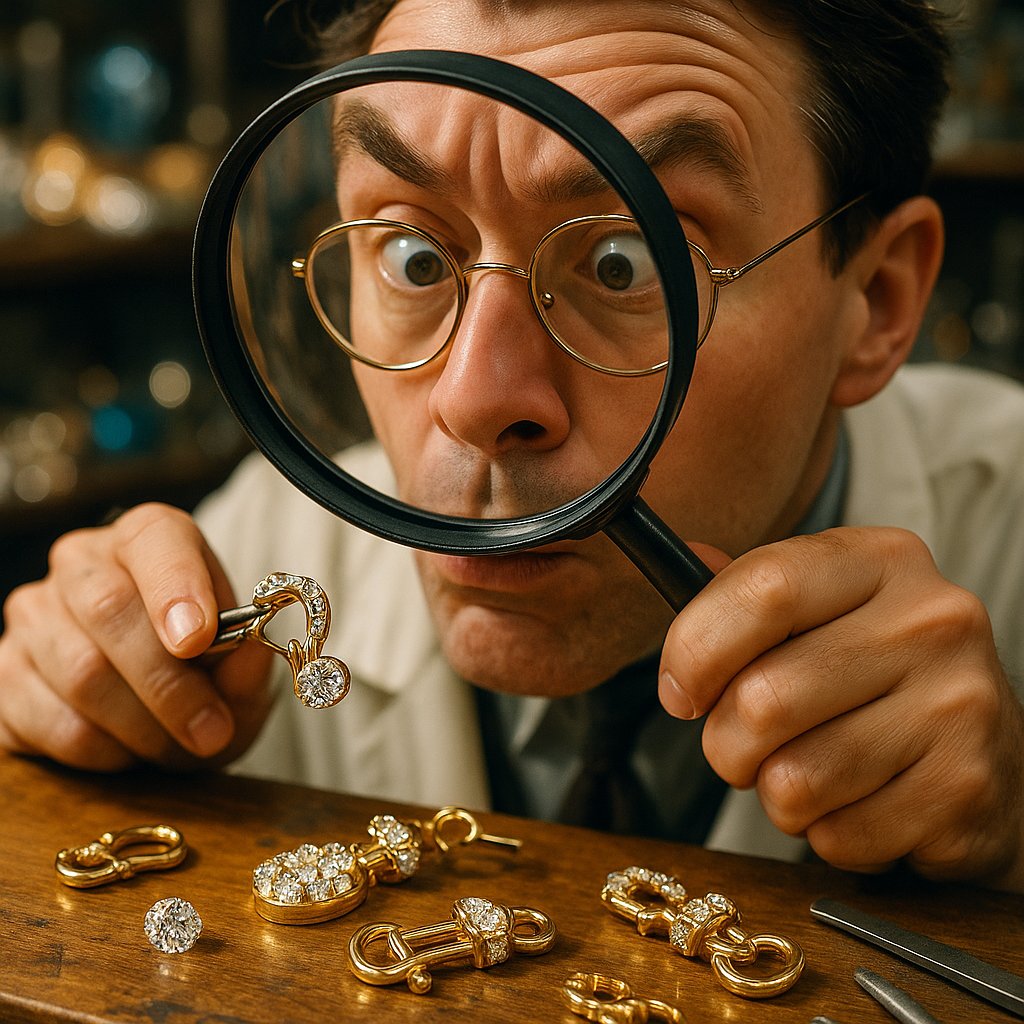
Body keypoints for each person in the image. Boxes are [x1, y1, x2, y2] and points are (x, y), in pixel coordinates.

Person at [2, 0, 1023, 892]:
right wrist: (58, 725)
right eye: (409, 252)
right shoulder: (270, 555)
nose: (474, 399)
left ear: (878, 304)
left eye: (626, 263)